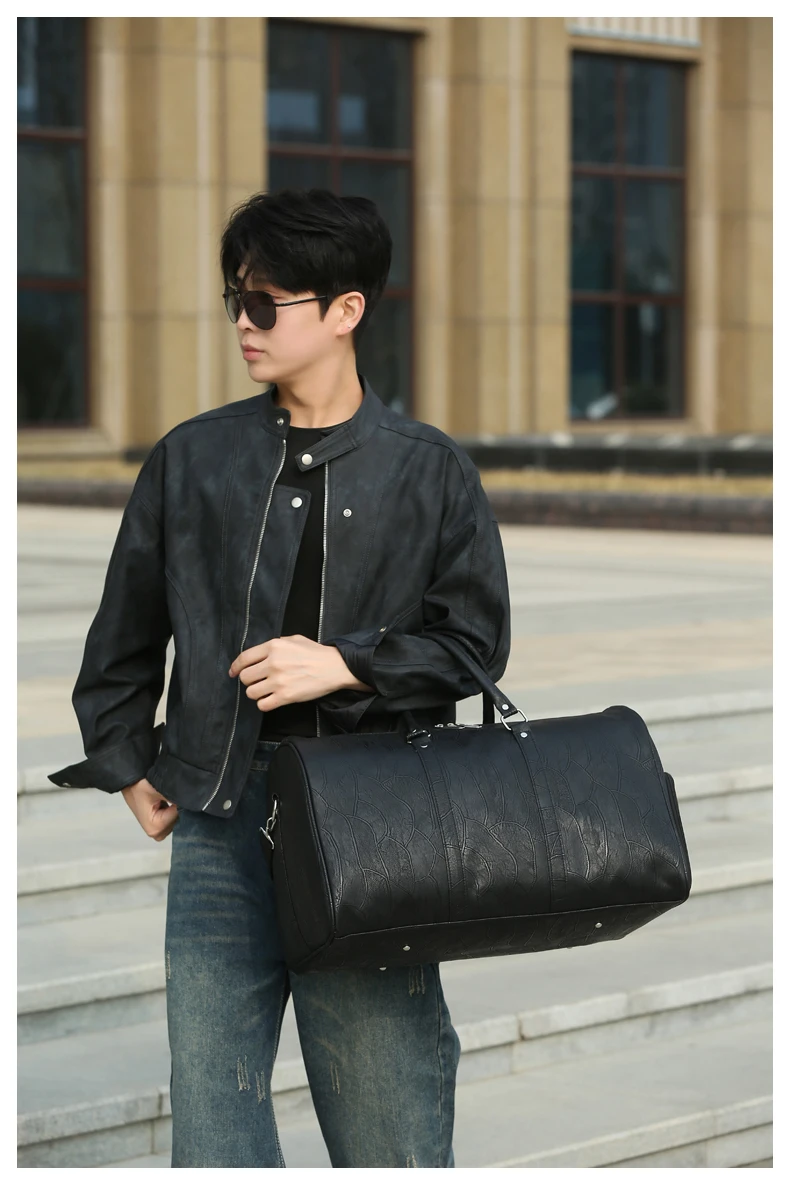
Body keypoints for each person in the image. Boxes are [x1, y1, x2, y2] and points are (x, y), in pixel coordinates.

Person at [49, 188, 511, 1168]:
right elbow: (124, 634)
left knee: (387, 1129)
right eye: (236, 300)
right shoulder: (193, 457)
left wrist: (344, 662)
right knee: (213, 1134)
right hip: (218, 826)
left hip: (370, 830)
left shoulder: (429, 472)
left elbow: (474, 643)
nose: (244, 324)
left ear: (346, 309)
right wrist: (128, 760)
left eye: (266, 302)